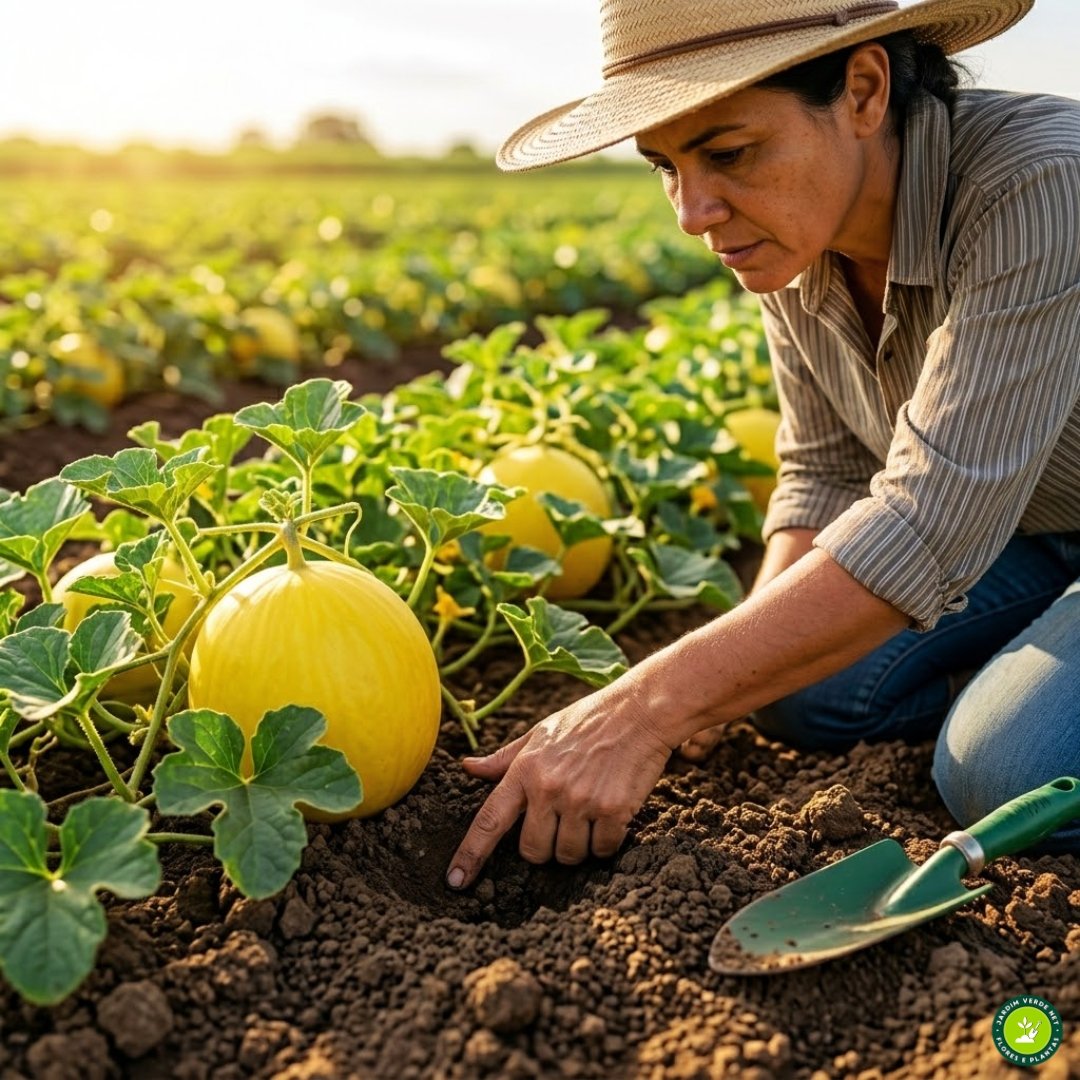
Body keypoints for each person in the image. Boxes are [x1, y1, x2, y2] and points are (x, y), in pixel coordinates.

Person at [447, 0, 1080, 890]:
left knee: (999, 766)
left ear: (863, 88)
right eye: (664, 166)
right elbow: (823, 469)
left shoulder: (1038, 179)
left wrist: (645, 707)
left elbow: (930, 521)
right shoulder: (791, 236)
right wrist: (717, 671)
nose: (693, 213)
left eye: (729, 152)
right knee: (788, 688)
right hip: (1034, 529)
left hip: (996, 527)